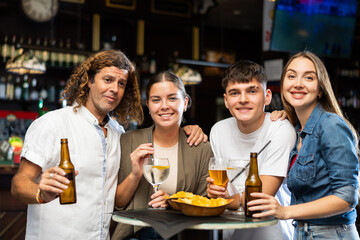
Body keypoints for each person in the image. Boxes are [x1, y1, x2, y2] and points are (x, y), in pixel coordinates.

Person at [10, 50, 206, 240]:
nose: (114, 88)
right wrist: (40, 193)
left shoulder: (118, 133)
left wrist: (188, 129)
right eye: (108, 80)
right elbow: (19, 184)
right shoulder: (53, 124)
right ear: (89, 80)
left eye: (121, 83)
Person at [248, 51, 360, 239]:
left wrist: (285, 211)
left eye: (308, 77)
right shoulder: (298, 130)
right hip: (304, 232)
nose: (298, 83)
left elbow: (347, 197)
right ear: (283, 84)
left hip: (332, 234)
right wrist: (287, 118)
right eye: (291, 76)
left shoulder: (331, 125)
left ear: (321, 88)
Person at [112, 71, 213, 239]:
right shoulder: (128, 140)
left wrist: (174, 203)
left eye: (172, 98)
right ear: (148, 105)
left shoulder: (200, 147)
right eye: (156, 100)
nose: (164, 106)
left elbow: (206, 204)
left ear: (185, 102)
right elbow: (119, 203)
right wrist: (135, 174)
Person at [207, 60, 296, 240]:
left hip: (275, 234)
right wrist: (216, 193)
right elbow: (221, 188)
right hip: (233, 234)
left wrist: (223, 200)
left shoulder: (280, 129)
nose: (243, 99)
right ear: (226, 100)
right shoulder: (218, 130)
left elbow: (259, 200)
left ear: (267, 96)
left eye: (252, 91)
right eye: (234, 93)